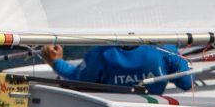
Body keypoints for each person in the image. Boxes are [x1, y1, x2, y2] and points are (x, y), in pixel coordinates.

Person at [37, 42, 193, 92]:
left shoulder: (101, 54)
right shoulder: (165, 52)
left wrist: (56, 61)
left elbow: (76, 77)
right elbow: (186, 83)